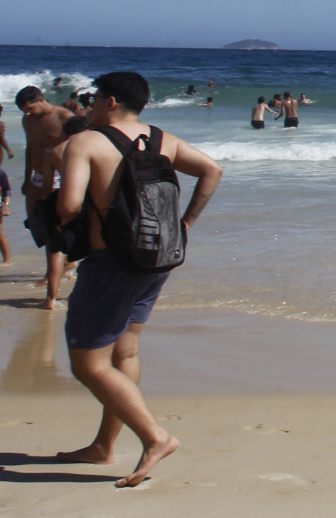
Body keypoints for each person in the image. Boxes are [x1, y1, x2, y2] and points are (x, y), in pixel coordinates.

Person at [55, 70, 223, 488]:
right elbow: (212, 171)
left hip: (111, 263)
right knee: (124, 354)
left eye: (94, 99)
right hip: (158, 258)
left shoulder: (86, 142)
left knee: (88, 364)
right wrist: (185, 224)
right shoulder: (164, 139)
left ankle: (154, 437)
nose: (89, 105)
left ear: (110, 102)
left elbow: (69, 206)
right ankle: (103, 447)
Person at [28, 115, 87, 309]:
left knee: (55, 251)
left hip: (62, 199)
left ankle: (51, 299)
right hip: (87, 200)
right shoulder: (90, 147)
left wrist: (50, 209)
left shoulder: (54, 152)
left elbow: (46, 188)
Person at [17, 86, 71, 187]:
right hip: (37, 175)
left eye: (30, 108)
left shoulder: (64, 117)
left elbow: (78, 148)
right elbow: (30, 149)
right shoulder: (28, 120)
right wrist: (27, 179)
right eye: (24, 111)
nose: (27, 114)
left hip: (59, 176)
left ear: (41, 100)